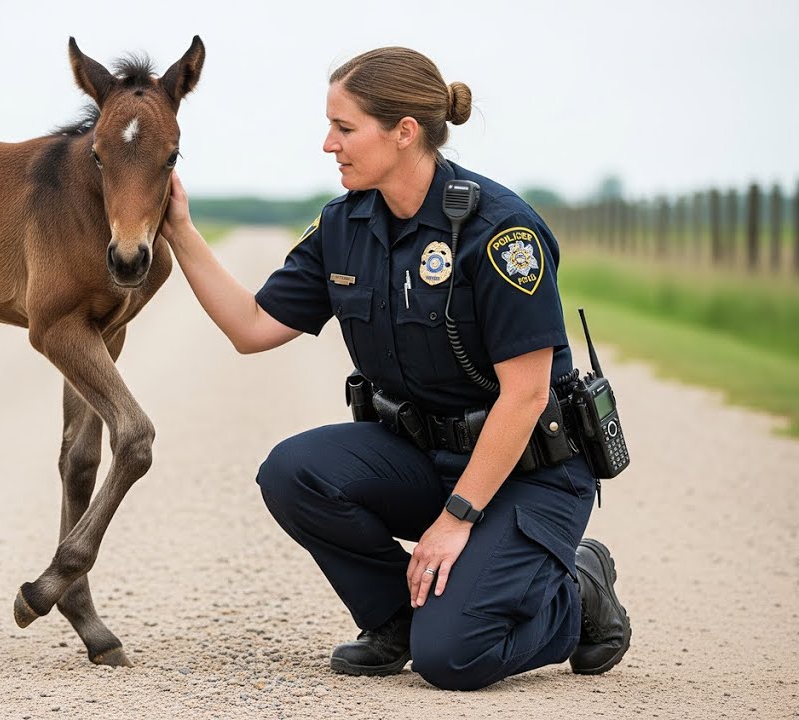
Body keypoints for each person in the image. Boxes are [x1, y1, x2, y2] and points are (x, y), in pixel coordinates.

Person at [159, 47, 631, 691]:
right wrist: (179, 229)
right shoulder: (343, 225)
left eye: (345, 128)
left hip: (526, 473)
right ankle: (395, 621)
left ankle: (575, 593)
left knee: (455, 659)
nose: (328, 144)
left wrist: (455, 520)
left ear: (404, 131)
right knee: (295, 472)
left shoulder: (500, 231)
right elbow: (251, 327)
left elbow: (526, 395)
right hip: (423, 458)